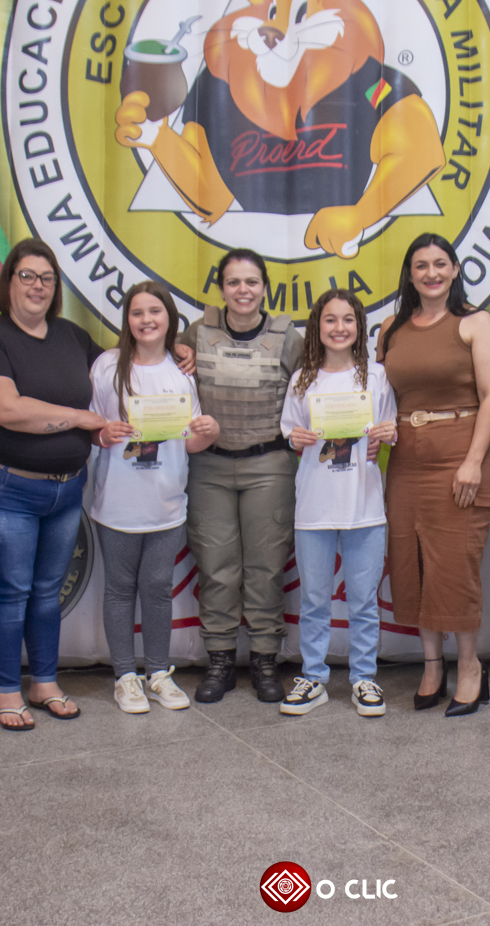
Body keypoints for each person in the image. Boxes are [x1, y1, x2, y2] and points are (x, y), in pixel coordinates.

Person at [0, 239, 112, 730]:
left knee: (47, 592)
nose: (38, 286)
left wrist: (176, 350)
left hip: (66, 489)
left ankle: (44, 682)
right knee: (11, 591)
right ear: (9, 282)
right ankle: (7, 690)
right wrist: (78, 418)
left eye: (47, 278)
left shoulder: (73, 337)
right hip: (3, 489)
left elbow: (120, 371)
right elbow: (5, 409)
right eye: (27, 276)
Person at [376, 233, 490, 716]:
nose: (431, 273)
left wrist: (473, 461)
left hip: (459, 458)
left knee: (455, 567)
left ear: (454, 270)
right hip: (405, 463)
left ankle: (470, 667)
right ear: (410, 275)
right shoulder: (390, 328)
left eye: (440, 264)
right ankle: (432, 666)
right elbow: (376, 393)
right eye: (421, 265)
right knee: (412, 565)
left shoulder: (475, 323)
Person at [178, 250, 304, 704]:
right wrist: (177, 350)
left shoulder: (288, 338)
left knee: (266, 568)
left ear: (265, 288)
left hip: (268, 465)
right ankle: (221, 659)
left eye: (251, 282)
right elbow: (160, 365)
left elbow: (315, 390)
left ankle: (266, 658)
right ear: (222, 289)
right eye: (233, 282)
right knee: (216, 566)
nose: (243, 290)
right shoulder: (196, 333)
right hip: (209, 466)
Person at [90, 282, 220, 714]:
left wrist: (208, 433)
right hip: (117, 503)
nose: (146, 320)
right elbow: (92, 427)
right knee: (119, 591)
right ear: (127, 320)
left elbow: (189, 441)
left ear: (170, 318)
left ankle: (159, 673)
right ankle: (125, 677)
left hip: (166, 504)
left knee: (158, 590)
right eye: (137, 312)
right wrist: (103, 433)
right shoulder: (107, 367)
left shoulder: (182, 371)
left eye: (155, 311)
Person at [278, 290, 398, 717]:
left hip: (363, 505)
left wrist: (388, 434)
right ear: (317, 326)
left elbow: (391, 427)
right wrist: (296, 438)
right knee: (314, 600)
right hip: (314, 507)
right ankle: (313, 677)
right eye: (330, 319)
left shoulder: (376, 376)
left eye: (348, 319)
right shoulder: (302, 379)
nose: (339, 327)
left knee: (363, 600)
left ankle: (364, 677)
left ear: (359, 327)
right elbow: (290, 432)